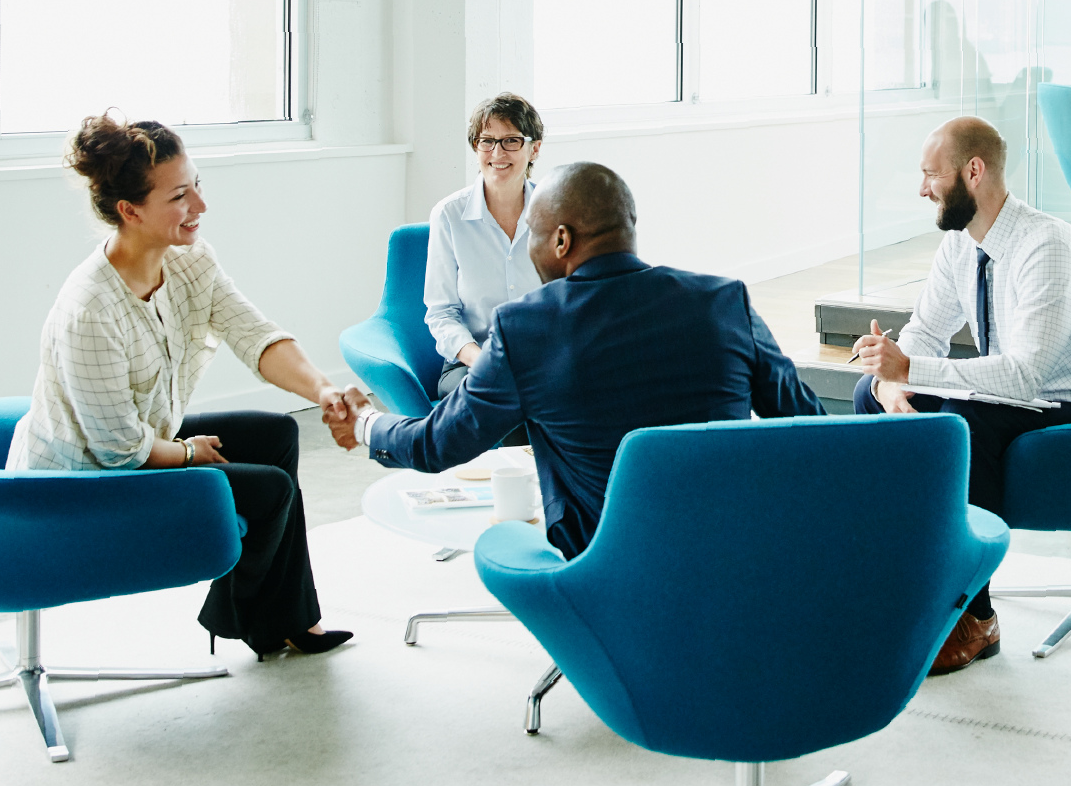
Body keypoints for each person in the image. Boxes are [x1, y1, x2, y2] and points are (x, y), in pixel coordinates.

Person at [327, 162, 826, 559]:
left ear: (562, 240)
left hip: (606, 565)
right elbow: (810, 427)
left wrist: (367, 423)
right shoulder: (723, 301)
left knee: (500, 545)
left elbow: (439, 443)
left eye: (533, 236)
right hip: (734, 549)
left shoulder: (525, 327)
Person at [8, 114, 353, 661]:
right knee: (270, 491)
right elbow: (116, 449)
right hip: (81, 482)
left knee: (277, 435)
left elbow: (253, 334)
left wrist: (323, 391)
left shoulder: (190, 261)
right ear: (130, 210)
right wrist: (189, 452)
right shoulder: (90, 308)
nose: (200, 205)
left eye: (198, 185)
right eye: (179, 195)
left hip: (134, 445)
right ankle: (246, 618)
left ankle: (282, 620)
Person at [851, 117, 1071, 675]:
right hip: (1019, 395)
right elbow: (924, 332)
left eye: (931, 175)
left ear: (973, 172)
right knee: (869, 396)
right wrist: (891, 380)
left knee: (965, 423)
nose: (922, 190)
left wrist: (910, 366)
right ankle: (917, 586)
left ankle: (974, 616)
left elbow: (1026, 375)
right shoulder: (961, 244)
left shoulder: (1046, 246)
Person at [425, 95, 545, 413]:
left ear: (534, 148)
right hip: (471, 363)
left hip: (542, 359)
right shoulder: (449, 215)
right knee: (504, 400)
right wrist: (481, 361)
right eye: (487, 141)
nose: (497, 153)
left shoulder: (555, 211)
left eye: (510, 141)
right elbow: (441, 313)